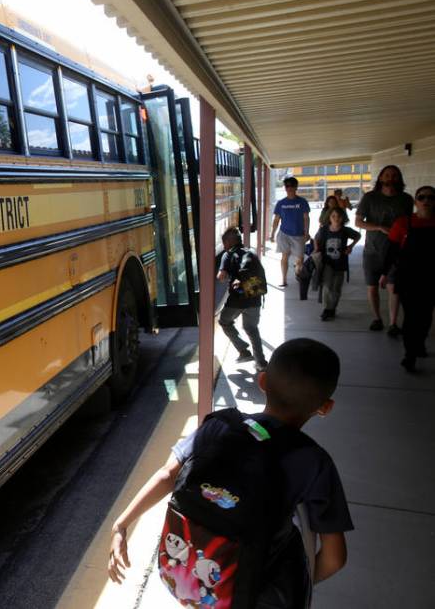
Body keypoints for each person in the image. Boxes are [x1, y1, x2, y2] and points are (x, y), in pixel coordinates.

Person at [107, 339, 353, 606]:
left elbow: (168, 474)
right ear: (325, 407)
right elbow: (334, 558)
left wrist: (121, 525)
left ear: (262, 382)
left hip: (186, 579)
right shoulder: (313, 461)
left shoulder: (220, 426)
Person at [380, 185, 435, 372]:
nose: (426, 201)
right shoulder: (404, 223)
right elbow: (392, 251)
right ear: (415, 201)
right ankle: (410, 354)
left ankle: (419, 344)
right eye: (422, 197)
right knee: (411, 317)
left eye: (430, 197)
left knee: (426, 316)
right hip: (408, 277)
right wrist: (384, 273)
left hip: (431, 278)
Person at [355, 165, 413, 334]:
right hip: (373, 250)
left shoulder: (406, 199)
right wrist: (379, 227)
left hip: (397, 251)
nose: (390, 178)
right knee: (372, 287)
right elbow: (358, 222)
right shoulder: (370, 198)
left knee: (393, 287)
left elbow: (408, 223)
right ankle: (377, 318)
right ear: (381, 178)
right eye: (387, 175)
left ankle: (393, 323)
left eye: (394, 176)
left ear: (399, 179)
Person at [217, 227, 268, 370]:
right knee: (251, 329)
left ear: (228, 242)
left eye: (224, 242)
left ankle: (243, 350)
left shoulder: (227, 255)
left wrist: (226, 275)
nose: (224, 245)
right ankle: (261, 362)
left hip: (237, 300)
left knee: (224, 321)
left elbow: (220, 277)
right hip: (255, 297)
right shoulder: (251, 252)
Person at [314, 207, 361, 320]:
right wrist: (316, 250)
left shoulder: (345, 230)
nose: (336, 219)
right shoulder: (324, 229)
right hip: (327, 263)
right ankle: (326, 309)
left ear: (343, 218)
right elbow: (316, 238)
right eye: (333, 216)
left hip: (340, 263)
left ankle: (332, 308)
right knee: (327, 286)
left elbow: (358, 236)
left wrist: (351, 246)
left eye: (339, 217)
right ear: (329, 217)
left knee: (336, 287)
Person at [270, 177, 310, 288]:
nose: (289, 188)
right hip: (284, 234)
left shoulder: (302, 202)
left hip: (299, 234)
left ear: (296, 187)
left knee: (300, 259)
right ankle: (284, 280)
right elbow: (276, 219)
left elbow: (306, 218)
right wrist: (272, 233)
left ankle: (298, 273)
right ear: (285, 188)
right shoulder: (281, 203)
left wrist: (307, 232)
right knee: (284, 256)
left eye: (292, 185)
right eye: (287, 186)